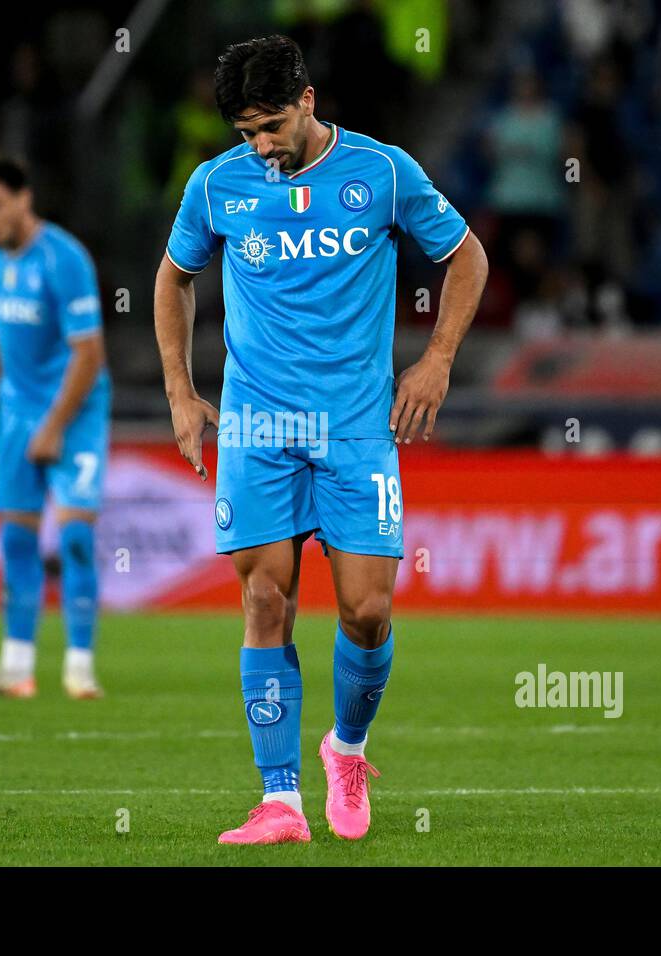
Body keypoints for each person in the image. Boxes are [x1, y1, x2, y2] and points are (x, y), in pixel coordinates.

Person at [153, 35, 487, 843]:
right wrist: (182, 392)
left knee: (367, 612)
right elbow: (172, 278)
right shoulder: (216, 187)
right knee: (265, 596)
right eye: (244, 134)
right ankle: (280, 801)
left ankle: (348, 747)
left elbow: (466, 256)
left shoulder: (382, 173)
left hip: (355, 427)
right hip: (258, 425)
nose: (259, 146)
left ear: (307, 100)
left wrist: (436, 360)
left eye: (269, 126)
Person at [0, 157, 110, 701]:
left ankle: (80, 668)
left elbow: (88, 354)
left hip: (76, 407)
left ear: (24, 199)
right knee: (16, 538)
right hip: (16, 410)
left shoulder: (64, 259)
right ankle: (16, 666)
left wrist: (54, 426)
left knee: (75, 538)